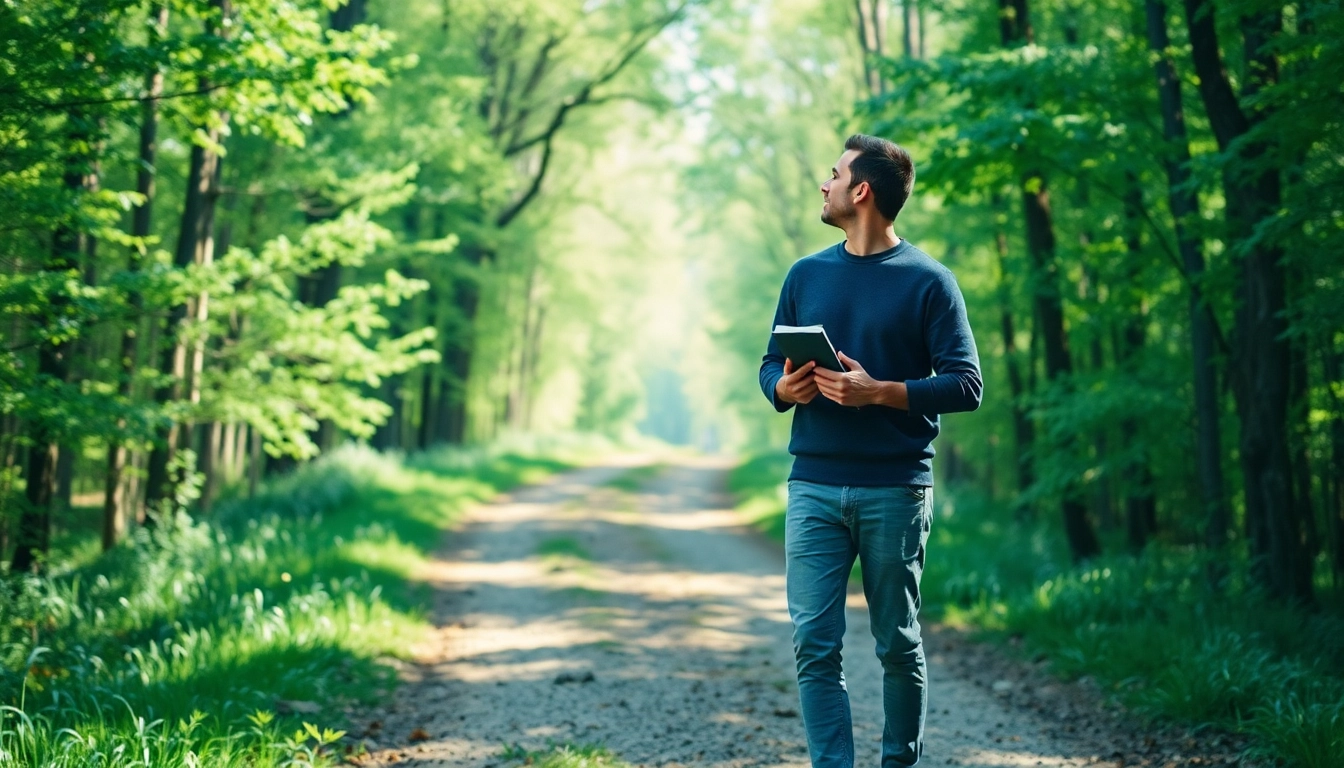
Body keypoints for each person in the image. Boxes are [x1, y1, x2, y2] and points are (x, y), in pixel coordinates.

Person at [759, 134, 983, 767]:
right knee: (814, 645)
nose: (823, 185)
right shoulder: (805, 274)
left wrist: (877, 391)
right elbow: (770, 364)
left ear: (861, 191)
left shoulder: (930, 282)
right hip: (813, 486)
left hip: (896, 488)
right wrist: (783, 385)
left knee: (897, 644)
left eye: (833, 175)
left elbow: (967, 385)